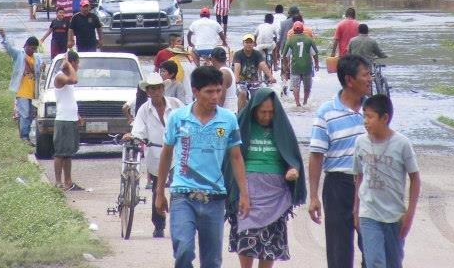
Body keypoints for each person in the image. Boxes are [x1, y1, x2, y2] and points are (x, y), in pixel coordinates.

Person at [155, 66, 249, 268]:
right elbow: (166, 154)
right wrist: (159, 191)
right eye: (209, 92)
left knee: (212, 260)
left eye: (218, 90)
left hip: (215, 197)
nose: (215, 96)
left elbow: (236, 158)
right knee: (183, 249)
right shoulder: (178, 118)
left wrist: (244, 193)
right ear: (195, 92)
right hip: (182, 194)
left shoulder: (228, 119)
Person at [225, 87, 306, 268]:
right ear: (254, 109)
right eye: (263, 112)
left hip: (275, 194)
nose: (267, 116)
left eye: (271, 112)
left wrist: (293, 170)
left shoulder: (281, 128)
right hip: (247, 192)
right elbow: (229, 154)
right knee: (246, 239)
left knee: (270, 244)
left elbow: (291, 155)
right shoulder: (241, 125)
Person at [308, 54, 371, 268]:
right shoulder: (326, 112)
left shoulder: (373, 111)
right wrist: (313, 196)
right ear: (349, 80)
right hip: (338, 186)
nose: (370, 79)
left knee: (373, 250)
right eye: (365, 75)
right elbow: (316, 155)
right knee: (339, 252)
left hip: (371, 185)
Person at [352, 94, 420, 268]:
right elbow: (358, 176)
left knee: (393, 263)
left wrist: (410, 214)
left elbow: (415, 179)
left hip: (395, 216)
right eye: (364, 116)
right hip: (369, 213)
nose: (365, 121)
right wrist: (356, 208)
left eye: (370, 116)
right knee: (374, 262)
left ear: (384, 118)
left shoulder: (402, 144)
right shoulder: (360, 142)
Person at [126, 73, 184, 238]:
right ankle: (159, 225)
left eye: (159, 88)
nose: (156, 91)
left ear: (163, 88)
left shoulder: (176, 104)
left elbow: (187, 121)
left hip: (177, 153)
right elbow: (138, 129)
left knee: (178, 186)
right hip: (156, 154)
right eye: (152, 89)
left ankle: (179, 222)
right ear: (148, 92)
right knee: (157, 190)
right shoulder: (144, 109)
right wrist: (135, 136)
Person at [0, 29, 44, 145]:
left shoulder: (37, 58)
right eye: (31, 48)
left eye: (34, 49)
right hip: (22, 90)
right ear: (26, 46)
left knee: (31, 114)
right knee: (24, 113)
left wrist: (42, 68)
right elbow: (9, 49)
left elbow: (40, 73)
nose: (32, 51)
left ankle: (26, 136)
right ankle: (24, 137)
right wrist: (4, 37)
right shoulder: (19, 54)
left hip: (33, 91)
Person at [52, 51, 83, 190]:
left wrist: (77, 115)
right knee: (60, 152)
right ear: (72, 63)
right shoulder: (60, 77)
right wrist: (68, 65)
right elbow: (75, 79)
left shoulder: (67, 78)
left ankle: (68, 181)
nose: (78, 67)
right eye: (77, 63)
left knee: (68, 152)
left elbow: (69, 100)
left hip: (70, 119)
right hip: (63, 120)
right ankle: (58, 182)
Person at [281, 21, 320, 107]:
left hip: (295, 67)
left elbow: (284, 55)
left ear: (293, 30)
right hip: (307, 67)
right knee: (307, 86)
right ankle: (305, 102)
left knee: (295, 86)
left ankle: (297, 103)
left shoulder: (290, 40)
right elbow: (315, 54)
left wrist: (285, 65)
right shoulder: (309, 40)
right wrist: (317, 64)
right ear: (303, 29)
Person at [233, 34, 275, 111]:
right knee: (242, 93)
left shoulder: (257, 54)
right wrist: (236, 78)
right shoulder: (238, 54)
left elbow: (262, 65)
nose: (249, 44)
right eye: (247, 42)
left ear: (254, 44)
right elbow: (237, 66)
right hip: (241, 82)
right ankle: (240, 115)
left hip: (254, 82)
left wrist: (270, 76)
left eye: (251, 42)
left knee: (259, 95)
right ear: (243, 43)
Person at [210, 47, 237, 112]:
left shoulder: (223, 73)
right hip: (230, 110)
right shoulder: (227, 70)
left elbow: (220, 102)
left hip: (226, 112)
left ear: (213, 59)